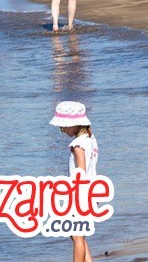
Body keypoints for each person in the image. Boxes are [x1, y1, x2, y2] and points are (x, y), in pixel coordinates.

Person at [50, 101, 98, 262]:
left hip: (80, 193)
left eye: (64, 126)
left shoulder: (77, 145)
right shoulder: (91, 140)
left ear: (75, 124)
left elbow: (81, 172)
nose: (62, 130)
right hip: (92, 192)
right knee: (79, 233)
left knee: (76, 234)